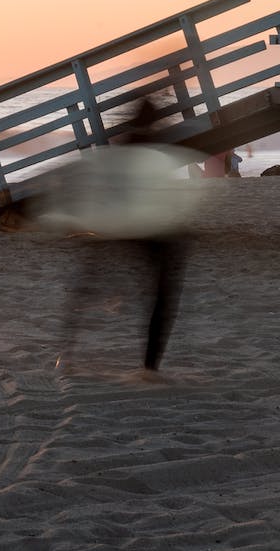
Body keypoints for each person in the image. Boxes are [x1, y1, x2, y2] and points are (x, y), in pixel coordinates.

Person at [45, 100, 198, 378]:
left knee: (88, 285)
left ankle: (65, 354)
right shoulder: (154, 146)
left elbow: (101, 184)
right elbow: (162, 195)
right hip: (147, 228)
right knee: (162, 296)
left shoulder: (123, 144)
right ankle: (149, 367)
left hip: (114, 225)